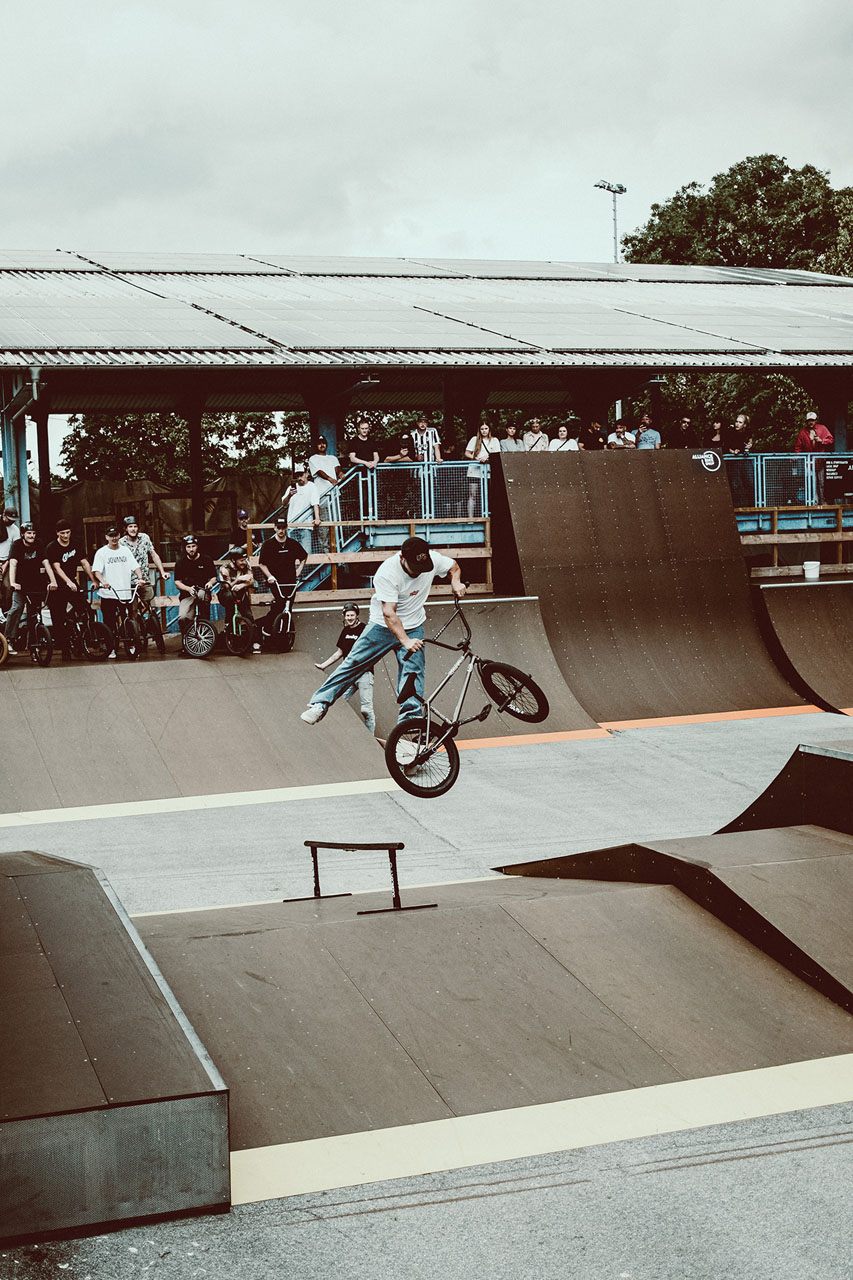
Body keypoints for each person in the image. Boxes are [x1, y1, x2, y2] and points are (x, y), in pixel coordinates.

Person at [301, 536, 464, 726]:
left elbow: (454, 567)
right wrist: (405, 641)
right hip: (382, 626)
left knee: (413, 671)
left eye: (422, 568)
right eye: (414, 568)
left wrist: (456, 582)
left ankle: (410, 721)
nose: (418, 573)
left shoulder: (433, 559)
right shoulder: (387, 573)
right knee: (354, 662)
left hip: (413, 625)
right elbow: (389, 613)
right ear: (402, 558)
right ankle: (320, 704)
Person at [313, 602, 376, 733]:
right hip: (350, 674)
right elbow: (339, 653)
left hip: (364, 673)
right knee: (340, 702)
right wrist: (323, 665)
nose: (349, 618)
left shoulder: (365, 629)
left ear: (357, 615)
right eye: (347, 616)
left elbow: (373, 648)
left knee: (366, 709)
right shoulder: (345, 631)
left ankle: (370, 737)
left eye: (352, 615)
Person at [46, 520, 96, 659]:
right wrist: (68, 582)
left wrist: (93, 580)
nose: (65, 536)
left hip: (72, 582)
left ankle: (83, 639)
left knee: (86, 610)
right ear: (57, 533)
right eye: (62, 533)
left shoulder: (76, 544)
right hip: (57, 585)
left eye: (67, 532)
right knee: (58, 618)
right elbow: (56, 568)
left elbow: (84, 563)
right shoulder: (52, 547)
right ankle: (65, 648)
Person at [92, 525, 144, 656]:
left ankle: (131, 645)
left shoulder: (125, 551)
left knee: (128, 620)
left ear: (119, 536)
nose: (114, 538)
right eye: (111, 536)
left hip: (124, 593)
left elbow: (135, 566)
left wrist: (140, 578)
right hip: (108, 593)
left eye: (116, 535)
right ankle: (111, 648)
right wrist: (103, 582)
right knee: (109, 622)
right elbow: (97, 571)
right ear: (106, 537)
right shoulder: (102, 552)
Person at [6, 522, 57, 655]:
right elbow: (13, 564)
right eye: (29, 533)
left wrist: (53, 581)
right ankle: (8, 640)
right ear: (23, 534)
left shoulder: (39, 544)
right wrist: (13, 582)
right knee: (16, 608)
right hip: (20, 585)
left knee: (34, 615)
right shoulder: (17, 545)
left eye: (33, 533)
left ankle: (33, 646)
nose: (32, 536)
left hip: (35, 585)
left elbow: (46, 563)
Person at [256, 518, 307, 638]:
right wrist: (270, 576)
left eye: (283, 528)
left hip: (290, 582)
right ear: (274, 528)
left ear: (286, 528)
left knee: (288, 607)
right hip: (276, 582)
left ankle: (284, 633)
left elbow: (304, 557)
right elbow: (262, 564)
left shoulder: (292, 544)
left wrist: (299, 570)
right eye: (278, 528)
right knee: (279, 606)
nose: (281, 530)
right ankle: (267, 627)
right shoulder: (268, 545)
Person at [173, 534, 218, 641]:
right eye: (188, 547)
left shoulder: (206, 560)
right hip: (187, 594)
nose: (191, 549)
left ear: (197, 546)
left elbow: (213, 578)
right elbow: (177, 583)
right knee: (183, 617)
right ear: (185, 548)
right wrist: (188, 589)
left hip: (202, 591)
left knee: (203, 610)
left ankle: (206, 638)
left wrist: (210, 583)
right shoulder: (180, 563)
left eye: (193, 546)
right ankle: (187, 641)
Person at [120, 515, 166, 610]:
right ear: (126, 529)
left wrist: (162, 572)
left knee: (151, 607)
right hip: (129, 583)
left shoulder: (144, 538)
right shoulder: (121, 543)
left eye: (135, 526)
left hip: (144, 580)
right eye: (130, 526)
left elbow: (154, 555)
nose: (133, 529)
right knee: (132, 610)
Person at [219, 547, 260, 650]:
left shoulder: (246, 565)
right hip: (226, 594)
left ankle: (255, 641)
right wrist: (238, 580)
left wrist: (242, 585)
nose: (244, 562)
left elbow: (252, 581)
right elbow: (227, 586)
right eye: (241, 560)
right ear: (233, 560)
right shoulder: (225, 569)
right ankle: (229, 634)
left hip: (241, 593)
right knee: (230, 607)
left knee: (248, 615)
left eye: (245, 559)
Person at [307, 436, 343, 542]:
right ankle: (324, 550)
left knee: (336, 522)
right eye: (319, 443)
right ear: (316, 446)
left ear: (326, 444)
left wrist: (340, 473)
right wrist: (330, 479)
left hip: (334, 494)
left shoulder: (333, 458)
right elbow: (319, 471)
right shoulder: (313, 458)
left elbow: (337, 468)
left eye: (323, 443)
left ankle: (336, 548)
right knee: (324, 525)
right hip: (322, 495)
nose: (322, 445)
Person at [465, 421, 501, 518]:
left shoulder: (495, 440)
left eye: (486, 428)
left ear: (489, 429)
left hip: (488, 472)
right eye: (482, 429)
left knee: (490, 495)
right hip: (474, 471)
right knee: (473, 495)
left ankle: (490, 518)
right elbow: (467, 453)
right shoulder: (474, 439)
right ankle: (470, 519)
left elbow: (497, 454)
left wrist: (487, 457)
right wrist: (476, 458)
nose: (484, 431)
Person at [281, 466, 320, 554]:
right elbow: (283, 504)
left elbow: (315, 503)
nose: (299, 478)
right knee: (292, 554)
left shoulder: (312, 486)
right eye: (297, 476)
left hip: (305, 525)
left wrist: (317, 518)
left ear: (306, 474)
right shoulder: (291, 488)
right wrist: (289, 495)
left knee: (306, 553)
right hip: (292, 526)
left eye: (301, 475)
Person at [0, 506, 21, 614]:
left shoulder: (15, 530)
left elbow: (15, 549)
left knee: (8, 586)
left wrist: (6, 564)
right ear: (3, 515)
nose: (11, 522)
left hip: (7, 561)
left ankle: (6, 612)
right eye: (9, 519)